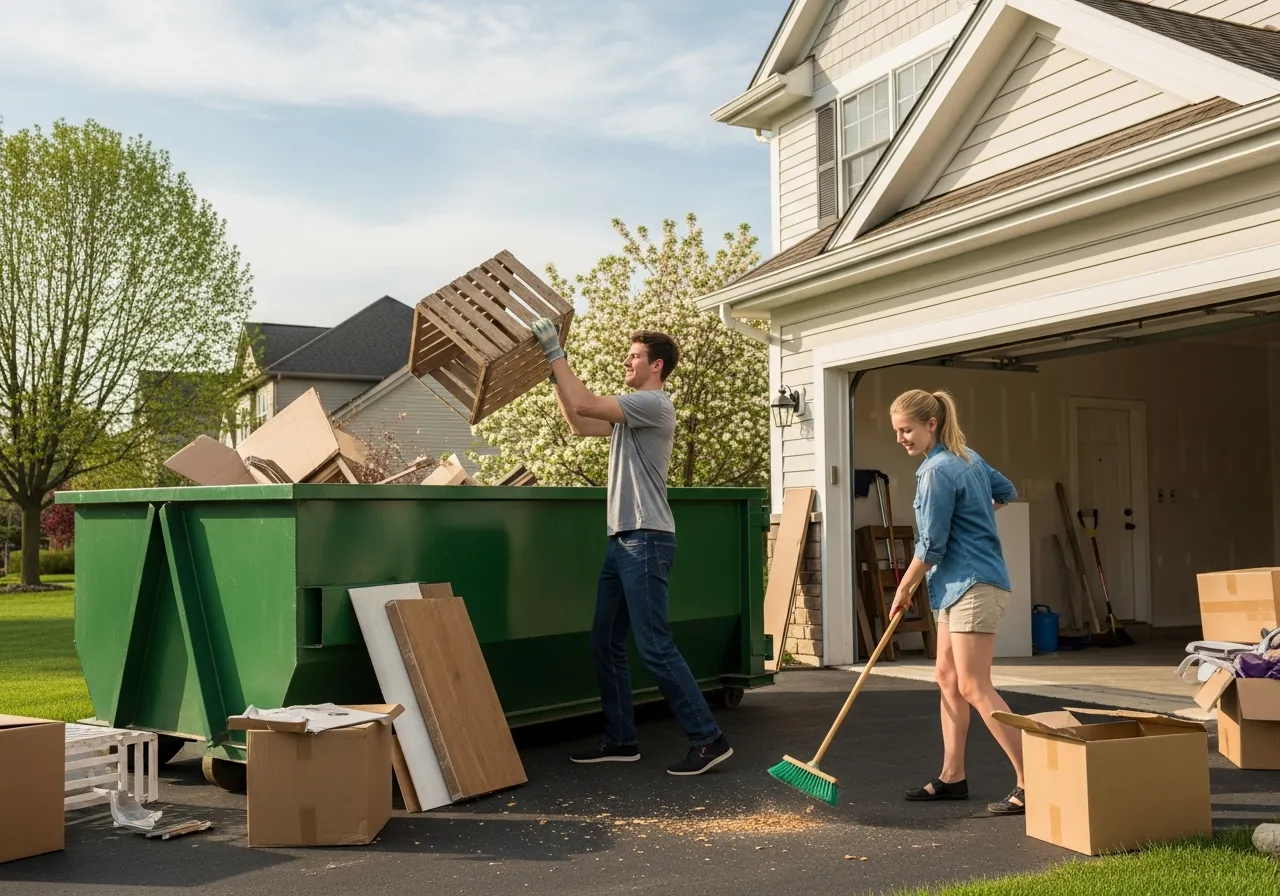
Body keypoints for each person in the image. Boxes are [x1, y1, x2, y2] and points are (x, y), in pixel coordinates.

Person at [529, 317, 733, 776]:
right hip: (623, 540)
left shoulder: (653, 405)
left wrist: (555, 355)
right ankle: (621, 740)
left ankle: (708, 738)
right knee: (605, 642)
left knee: (655, 646)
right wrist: (555, 376)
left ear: (656, 366)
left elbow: (585, 401)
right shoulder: (630, 417)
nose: (627, 360)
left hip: (645, 539)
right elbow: (580, 421)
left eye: (635, 356)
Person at [886, 389, 1025, 816]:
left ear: (930, 424)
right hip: (955, 586)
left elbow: (930, 546)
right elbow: (1008, 491)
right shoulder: (968, 458)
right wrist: (974, 516)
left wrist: (903, 587)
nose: (901, 439)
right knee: (947, 678)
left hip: (972, 584)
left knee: (973, 684)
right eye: (896, 432)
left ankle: (1033, 778)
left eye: (906, 430)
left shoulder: (937, 472)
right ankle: (952, 777)